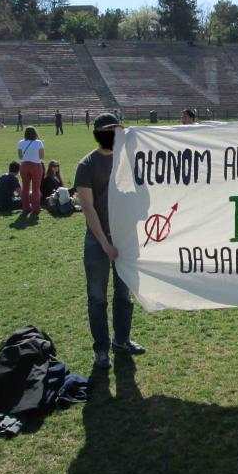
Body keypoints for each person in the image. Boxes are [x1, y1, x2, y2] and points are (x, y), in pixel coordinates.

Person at [75, 113, 145, 369]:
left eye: (116, 130)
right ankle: (101, 349)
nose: (113, 135)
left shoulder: (127, 162)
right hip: (98, 241)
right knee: (97, 297)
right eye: (108, 131)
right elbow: (88, 208)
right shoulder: (86, 165)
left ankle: (122, 340)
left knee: (124, 295)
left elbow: (141, 196)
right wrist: (105, 244)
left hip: (125, 239)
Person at [17, 126, 45, 213]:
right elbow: (42, 156)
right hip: (36, 165)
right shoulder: (38, 142)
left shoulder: (20, 142)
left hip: (24, 165)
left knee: (25, 188)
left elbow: (20, 156)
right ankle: (36, 208)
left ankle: (26, 207)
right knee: (36, 188)